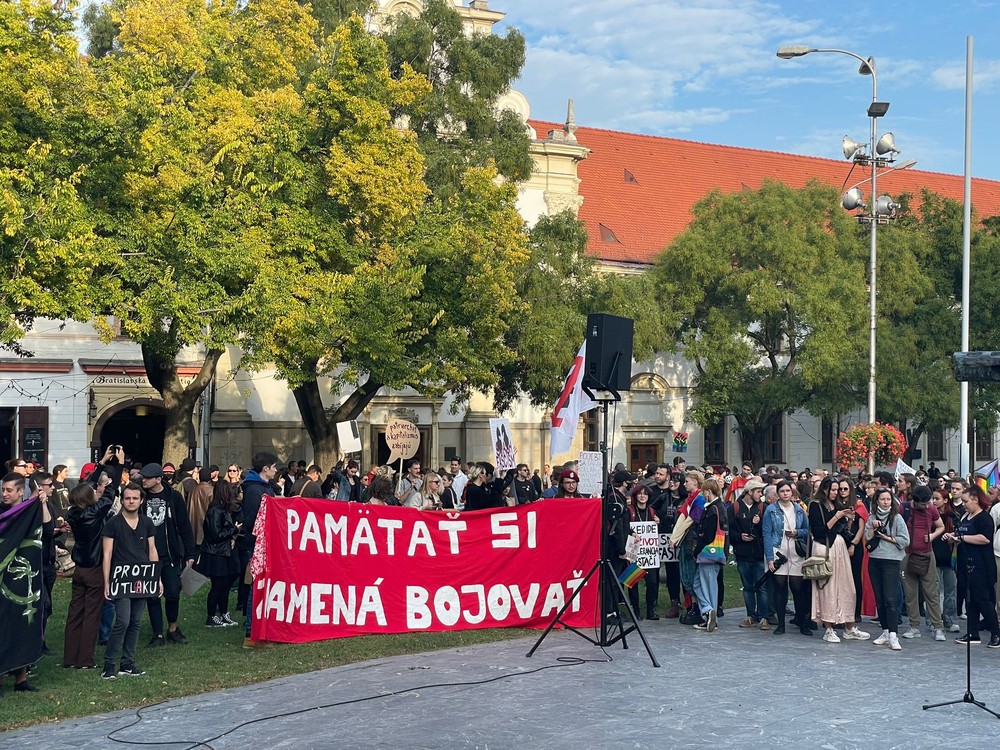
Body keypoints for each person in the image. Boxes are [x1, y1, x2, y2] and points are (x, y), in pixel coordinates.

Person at [101, 483, 160, 679]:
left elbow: (152, 550)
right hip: (121, 577)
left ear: (141, 500)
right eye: (128, 498)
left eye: (135, 498)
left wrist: (156, 578)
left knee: (135, 622)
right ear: (122, 499)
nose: (131, 501)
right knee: (123, 621)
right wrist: (107, 582)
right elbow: (107, 554)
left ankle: (127, 662)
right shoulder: (113, 523)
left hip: (143, 577)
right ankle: (109, 664)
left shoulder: (147, 522)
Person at [63, 471, 118, 669]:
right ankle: (85, 659)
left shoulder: (72, 513)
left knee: (75, 612)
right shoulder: (95, 512)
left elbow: (87, 487)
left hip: (79, 568)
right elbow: (110, 493)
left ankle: (69, 657)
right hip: (94, 568)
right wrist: (118, 467)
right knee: (92, 614)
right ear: (89, 497)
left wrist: (102, 463)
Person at [139, 463, 195, 647]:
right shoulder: (140, 497)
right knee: (152, 595)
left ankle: (172, 628)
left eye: (147, 477)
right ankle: (157, 634)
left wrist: (189, 552)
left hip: (170, 555)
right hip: (147, 555)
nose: (144, 480)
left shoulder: (173, 497)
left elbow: (184, 526)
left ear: (158, 479)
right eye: (143, 477)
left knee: (172, 593)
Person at [808, 477, 870, 643]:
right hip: (825, 548)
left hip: (840, 547)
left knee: (847, 587)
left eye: (837, 489)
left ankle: (849, 627)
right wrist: (837, 516)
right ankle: (828, 628)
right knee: (827, 588)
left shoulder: (837, 505)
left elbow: (841, 528)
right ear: (825, 489)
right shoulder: (816, 505)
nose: (836, 493)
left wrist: (847, 520)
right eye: (833, 489)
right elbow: (820, 531)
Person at [944, 486, 1000, 648]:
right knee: (970, 600)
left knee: (982, 599)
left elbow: (985, 538)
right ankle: (973, 632)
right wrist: (953, 537)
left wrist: (962, 537)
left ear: (976, 499)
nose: (964, 504)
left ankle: (996, 632)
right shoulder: (965, 516)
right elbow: (961, 535)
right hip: (964, 562)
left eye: (966, 501)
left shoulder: (984, 518)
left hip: (980, 564)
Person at [241, 451, 279, 648]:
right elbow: (253, 520)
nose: (275, 470)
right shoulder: (256, 491)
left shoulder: (262, 488)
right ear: (266, 469)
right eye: (274, 467)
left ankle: (258, 629)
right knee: (256, 586)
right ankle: (251, 633)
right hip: (258, 545)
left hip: (263, 544)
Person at [864, 488, 910, 651]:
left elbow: (905, 540)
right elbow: (867, 538)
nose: (885, 502)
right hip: (875, 561)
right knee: (880, 600)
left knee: (890, 599)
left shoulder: (897, 518)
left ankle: (893, 634)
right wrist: (872, 527)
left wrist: (887, 537)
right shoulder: (872, 517)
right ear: (877, 501)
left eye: (888, 499)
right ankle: (884, 631)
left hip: (891, 561)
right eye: (882, 499)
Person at [763, 479, 810, 635]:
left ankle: (802, 622)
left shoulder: (798, 509)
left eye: (788, 491)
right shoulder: (771, 510)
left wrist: (797, 533)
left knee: (798, 588)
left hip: (796, 552)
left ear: (792, 492)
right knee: (780, 588)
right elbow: (767, 534)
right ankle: (781, 624)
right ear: (778, 493)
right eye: (782, 491)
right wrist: (770, 558)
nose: (785, 494)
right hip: (779, 551)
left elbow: (806, 529)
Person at [901, 484, 946, 641]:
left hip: (927, 554)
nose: (927, 506)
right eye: (924, 504)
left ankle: (938, 627)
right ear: (915, 501)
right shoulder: (904, 509)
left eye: (929, 502)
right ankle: (914, 626)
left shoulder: (932, 509)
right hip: (907, 554)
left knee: (931, 592)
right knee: (910, 593)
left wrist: (933, 536)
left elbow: (941, 526)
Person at [729, 478, 771, 630]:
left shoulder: (762, 508)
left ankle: (764, 616)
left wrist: (758, 523)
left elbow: (767, 531)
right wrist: (740, 537)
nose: (761, 494)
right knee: (747, 587)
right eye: (759, 491)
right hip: (742, 554)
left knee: (762, 587)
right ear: (749, 492)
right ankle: (751, 615)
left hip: (759, 554)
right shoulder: (735, 507)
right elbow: (730, 530)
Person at [201, 482, 242, 627]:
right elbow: (215, 535)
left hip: (224, 552)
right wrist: (234, 530)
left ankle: (224, 614)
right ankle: (211, 616)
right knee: (218, 585)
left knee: (225, 584)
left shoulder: (224, 510)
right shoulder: (215, 511)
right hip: (216, 553)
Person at [691, 479, 726, 632]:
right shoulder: (721, 507)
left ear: (708, 492)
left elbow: (708, 535)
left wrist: (697, 550)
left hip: (708, 553)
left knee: (706, 585)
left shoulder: (713, 509)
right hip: (718, 552)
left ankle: (708, 611)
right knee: (700, 584)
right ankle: (710, 613)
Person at [627, 483, 660, 620]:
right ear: (635, 496)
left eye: (645, 494)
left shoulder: (652, 511)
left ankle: (650, 610)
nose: (642, 496)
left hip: (649, 553)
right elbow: (624, 526)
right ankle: (635, 610)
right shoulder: (629, 511)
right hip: (634, 551)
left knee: (652, 582)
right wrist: (632, 533)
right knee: (632, 582)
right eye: (640, 493)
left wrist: (657, 521)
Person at [932, 487, 961, 633]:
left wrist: (953, 536)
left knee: (950, 590)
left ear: (945, 500)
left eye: (937, 499)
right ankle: (934, 621)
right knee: (934, 591)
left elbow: (961, 533)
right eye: (933, 498)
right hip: (934, 557)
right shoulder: (930, 515)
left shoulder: (953, 515)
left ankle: (950, 619)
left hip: (950, 558)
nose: (934, 501)